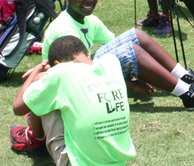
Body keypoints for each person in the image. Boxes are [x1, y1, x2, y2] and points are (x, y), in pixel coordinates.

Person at [10, 0, 194, 156]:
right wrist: (128, 82)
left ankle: (185, 77)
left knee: (135, 35)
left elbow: (114, 44)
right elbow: (80, 73)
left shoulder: (89, 20)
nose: (89, 0)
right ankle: (188, 94)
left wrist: (134, 74)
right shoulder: (63, 28)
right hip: (72, 79)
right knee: (129, 48)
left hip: (82, 72)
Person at [12, 35, 137, 165]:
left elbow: (18, 107)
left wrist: (37, 71)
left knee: (43, 83)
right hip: (119, 161)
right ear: (88, 54)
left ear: (57, 64)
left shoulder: (60, 72)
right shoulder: (111, 63)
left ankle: (35, 140)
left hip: (77, 163)